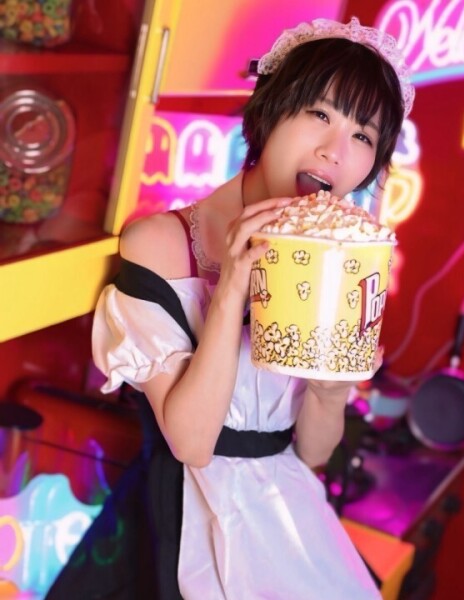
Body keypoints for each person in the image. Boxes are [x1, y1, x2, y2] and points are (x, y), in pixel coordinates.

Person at [52, 16, 414, 600]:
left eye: (364, 136)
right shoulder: (161, 244)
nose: (335, 152)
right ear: (270, 112)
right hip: (178, 525)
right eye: (320, 114)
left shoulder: (330, 265)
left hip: (286, 519)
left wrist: (332, 388)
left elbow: (312, 453)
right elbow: (192, 443)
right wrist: (232, 289)